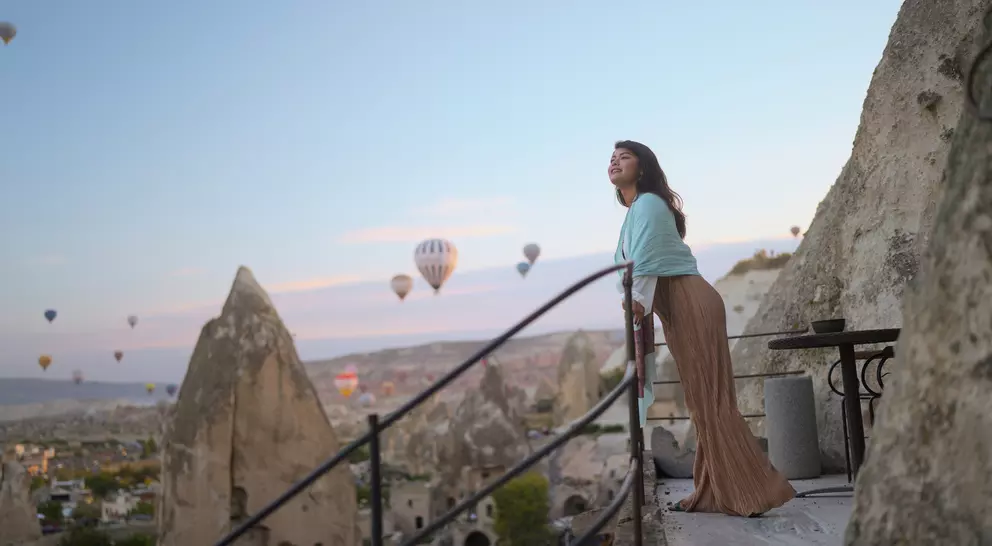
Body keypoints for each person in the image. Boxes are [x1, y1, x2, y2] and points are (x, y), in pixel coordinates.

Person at [610, 140, 795, 516]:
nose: (614, 161)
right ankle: (715, 491)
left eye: (624, 156)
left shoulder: (647, 204)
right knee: (701, 404)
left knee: (711, 403)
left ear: (642, 168)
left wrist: (639, 300)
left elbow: (645, 257)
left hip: (691, 303)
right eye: (611, 158)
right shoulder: (634, 212)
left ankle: (755, 490)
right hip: (681, 309)